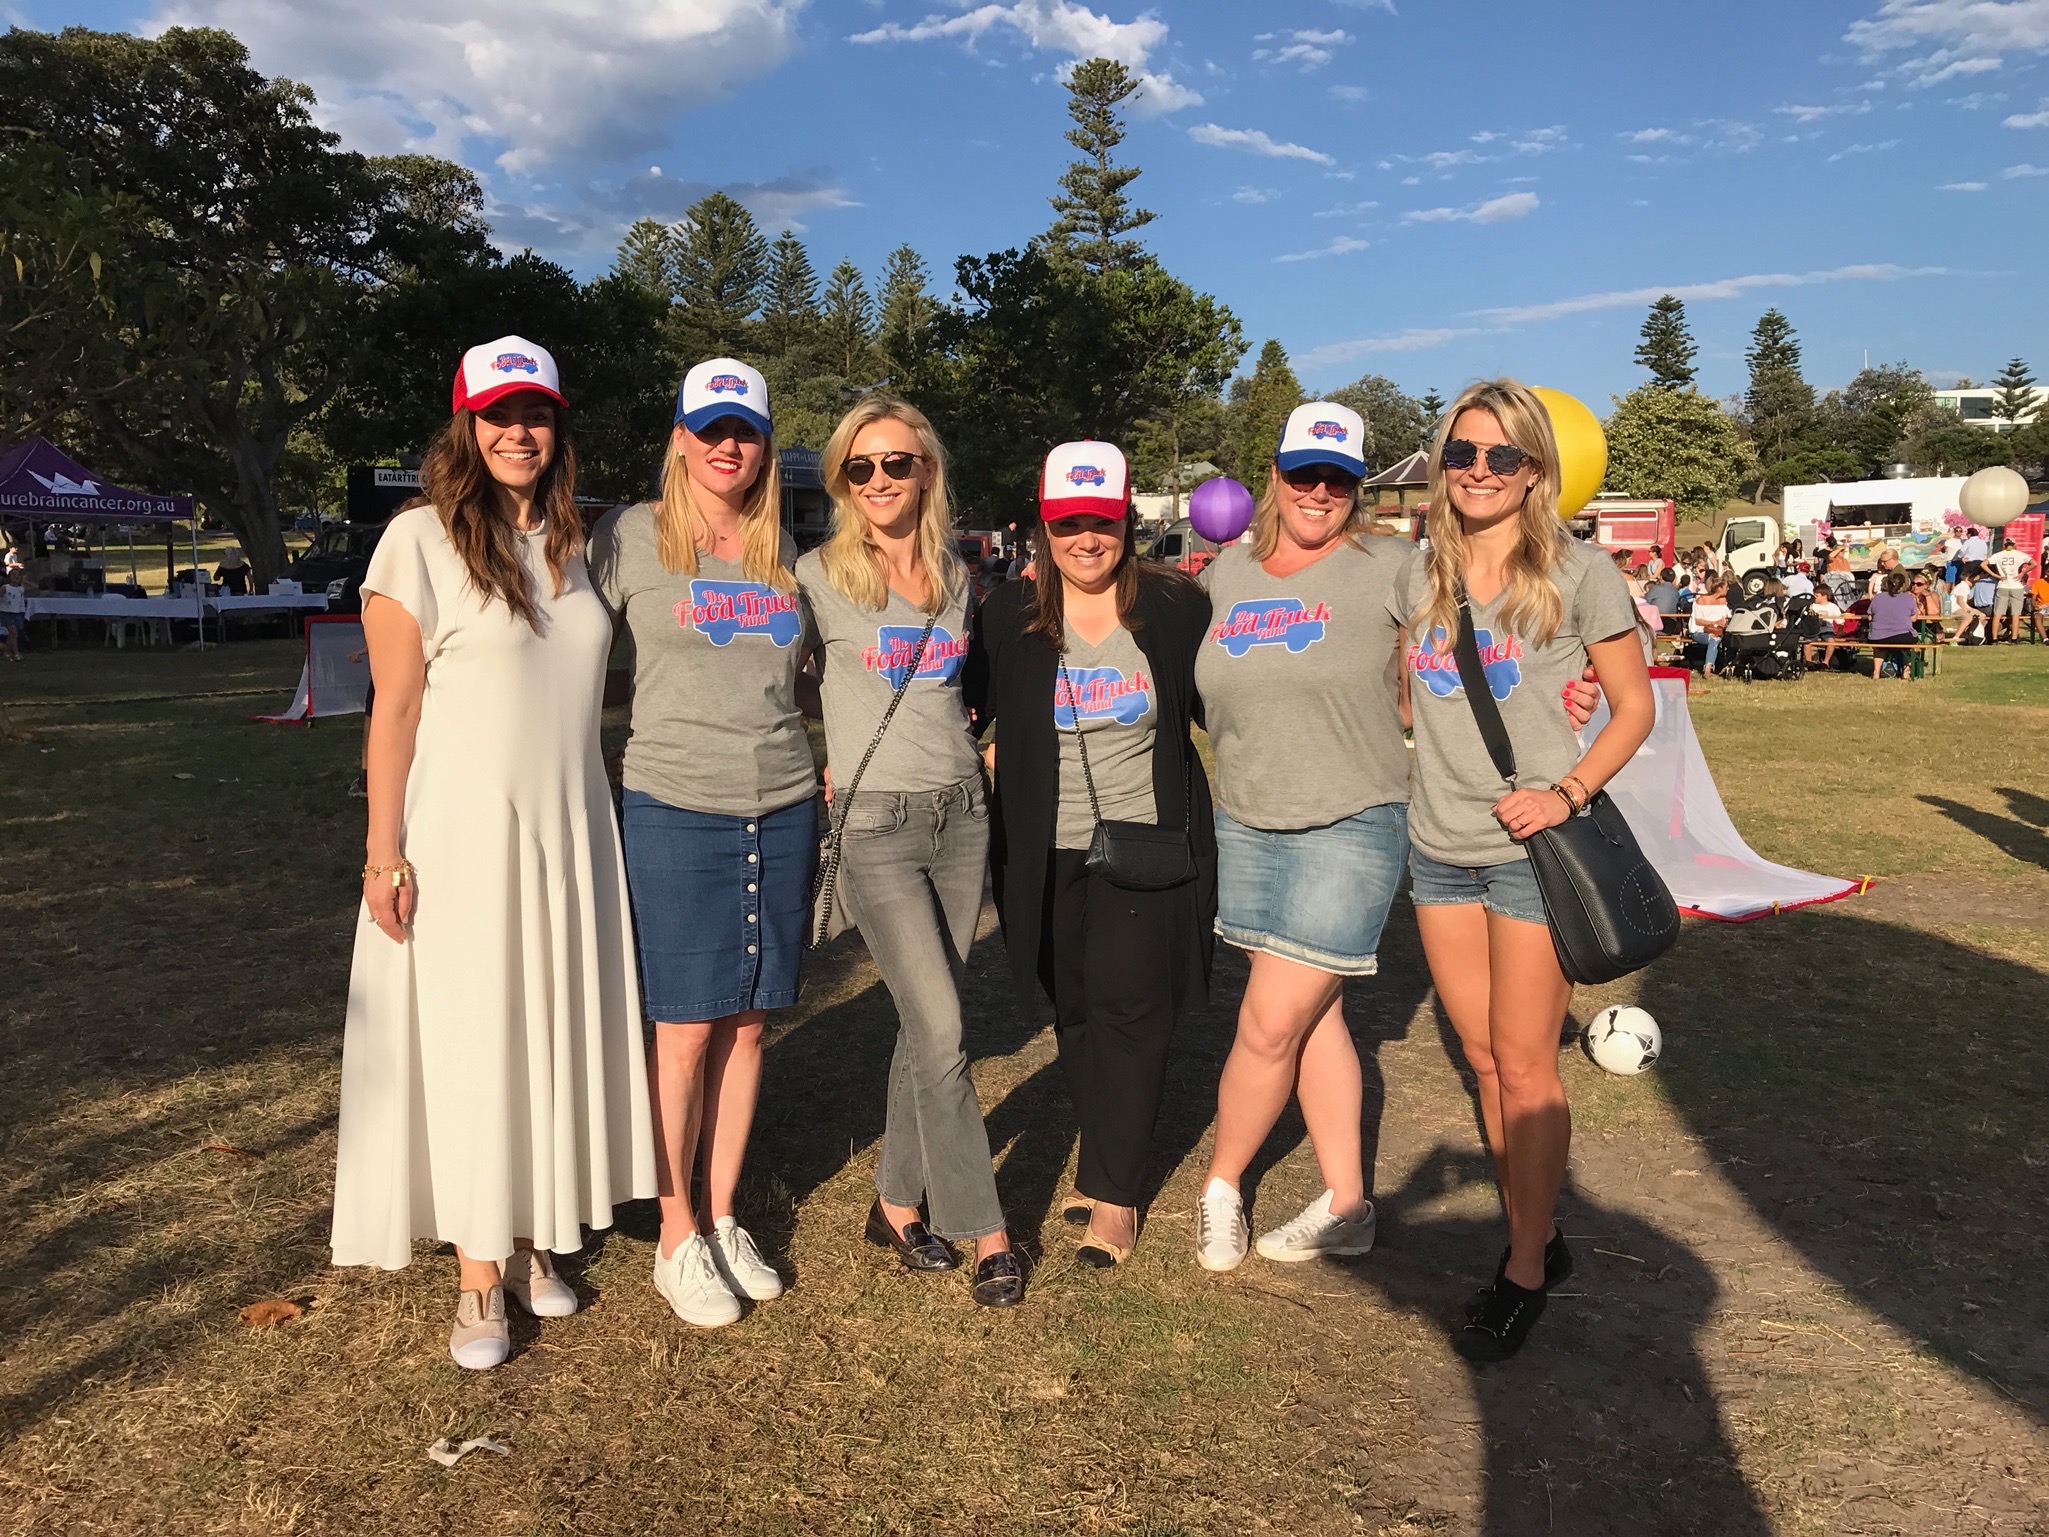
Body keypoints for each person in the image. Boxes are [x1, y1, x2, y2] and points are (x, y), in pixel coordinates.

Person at [330, 336, 655, 1370]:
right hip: (464, 832)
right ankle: (478, 1278)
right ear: (467, 428)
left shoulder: (578, 546)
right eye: (499, 414)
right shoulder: (416, 541)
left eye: (538, 414)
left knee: (550, 1029)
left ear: (559, 429)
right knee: (478, 1042)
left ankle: (535, 1237)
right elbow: (395, 709)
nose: (520, 431)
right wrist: (384, 852)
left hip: (570, 827)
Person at [1391, 379, 1654, 1362]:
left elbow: (1635, 707)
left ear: (1537, 470)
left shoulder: (1578, 574)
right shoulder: (1415, 575)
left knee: (1528, 1061)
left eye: (1503, 457)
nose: (1480, 473)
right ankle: (1538, 1225)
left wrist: (1568, 789)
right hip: (1438, 852)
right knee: (1488, 1058)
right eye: (1462, 453)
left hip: (1530, 854)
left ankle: (1526, 1265)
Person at [589, 357, 813, 1329]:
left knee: (752, 1023)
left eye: (746, 430)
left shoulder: (789, 556)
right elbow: (565, 653)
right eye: (711, 427)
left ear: (764, 446)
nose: (729, 444)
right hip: (675, 804)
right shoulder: (629, 538)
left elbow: (807, 684)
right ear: (680, 437)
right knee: (684, 1028)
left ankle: (723, 1214)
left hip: (785, 800)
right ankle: (675, 1229)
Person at [964, 440, 1215, 1270]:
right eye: (1068, 521)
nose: (1085, 537)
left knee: (1131, 1013)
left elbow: (1233, 700)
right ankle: (1100, 1153)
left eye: (1101, 520)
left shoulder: (1176, 608)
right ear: (1044, 522)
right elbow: (959, 706)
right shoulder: (1007, 615)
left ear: (1126, 519)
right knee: (1070, 1008)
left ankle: (1115, 1194)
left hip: (1144, 846)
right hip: (1041, 849)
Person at [795, 396, 1023, 1308]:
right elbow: (770, 682)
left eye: (898, 462)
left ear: (926, 470)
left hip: (963, 814)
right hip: (876, 825)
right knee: (943, 1030)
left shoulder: (957, 574)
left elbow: (968, 690)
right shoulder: (813, 575)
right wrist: (815, 759)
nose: (881, 480)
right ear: (842, 481)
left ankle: (893, 1201)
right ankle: (987, 1230)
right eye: (861, 466)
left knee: (928, 1022)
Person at [1867, 569, 1918, 678]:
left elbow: (1870, 617)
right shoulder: (1909, 598)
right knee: (1912, 646)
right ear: (1903, 585)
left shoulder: (1877, 598)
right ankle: (1906, 671)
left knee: (1879, 648)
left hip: (1878, 637)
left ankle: (1876, 672)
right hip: (1902, 636)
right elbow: (1913, 619)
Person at [1986, 536, 2029, 643]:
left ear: (2003, 545)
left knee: (1998, 614)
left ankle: (1994, 638)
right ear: (2014, 545)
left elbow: (1983, 564)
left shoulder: (1998, 555)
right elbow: (2034, 563)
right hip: (2016, 585)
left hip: (2003, 584)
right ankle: (2014, 638)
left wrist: (1995, 575)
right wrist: (2023, 573)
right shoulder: (2019, 554)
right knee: (2015, 614)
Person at [1688, 577, 1731, 674]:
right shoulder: (1702, 600)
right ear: (1719, 588)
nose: (1728, 589)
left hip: (1718, 630)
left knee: (1730, 639)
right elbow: (1698, 621)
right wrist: (1715, 622)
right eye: (1726, 587)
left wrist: (1724, 621)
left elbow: (1727, 616)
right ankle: (1708, 668)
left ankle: (1727, 666)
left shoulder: (1723, 600)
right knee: (1714, 640)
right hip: (1700, 631)